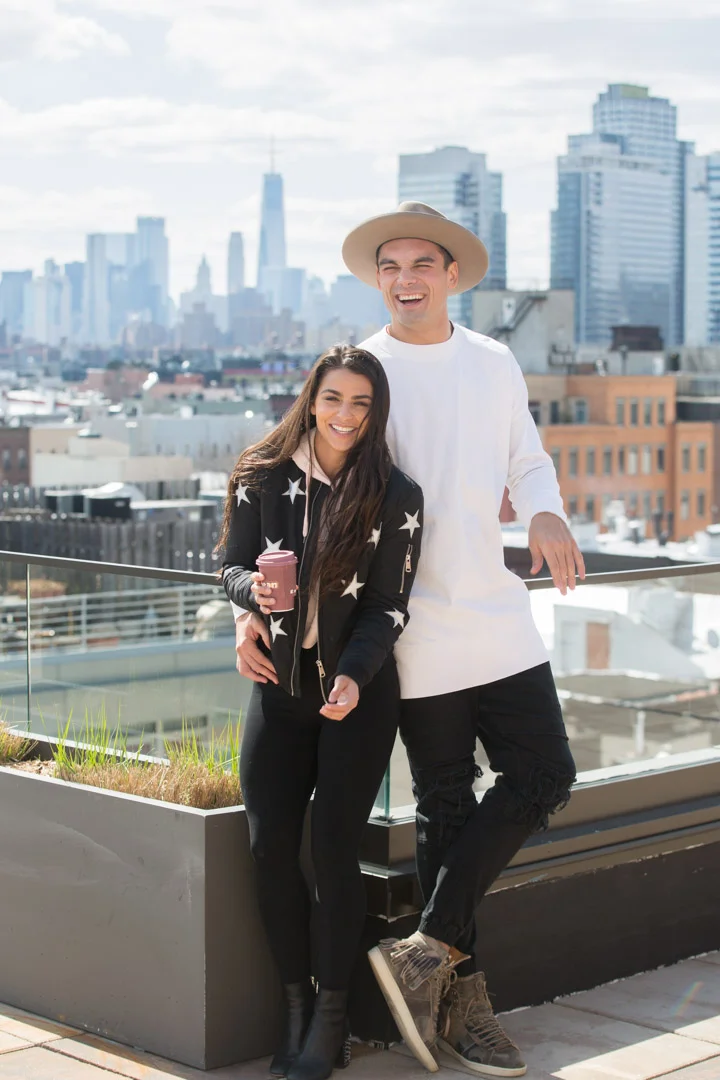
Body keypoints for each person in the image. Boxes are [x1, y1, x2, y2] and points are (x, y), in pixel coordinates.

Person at [335, 201, 585, 1077]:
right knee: (444, 804)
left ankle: (426, 947)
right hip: (411, 622)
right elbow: (320, 474)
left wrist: (546, 511)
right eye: (390, 266)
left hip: (496, 608)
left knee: (546, 771)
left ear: (450, 275)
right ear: (378, 279)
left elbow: (527, 458)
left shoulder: (493, 360)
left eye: (421, 265)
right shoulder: (365, 369)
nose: (405, 280)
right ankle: (460, 1003)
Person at [220, 345, 423, 1080]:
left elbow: (388, 605)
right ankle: (296, 1005)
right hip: (277, 690)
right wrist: (250, 601)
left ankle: (332, 1019)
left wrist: (355, 677)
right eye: (334, 398)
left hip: (355, 701)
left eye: (361, 403)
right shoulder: (260, 475)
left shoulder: (395, 494)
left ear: (376, 413)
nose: (345, 415)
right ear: (312, 399)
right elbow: (229, 565)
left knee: (335, 853)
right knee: (270, 847)